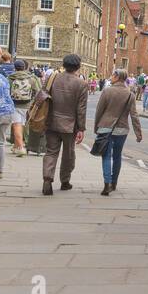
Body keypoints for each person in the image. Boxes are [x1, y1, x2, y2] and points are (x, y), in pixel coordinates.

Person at [41, 53, 88, 195]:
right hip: (70, 125)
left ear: (64, 64)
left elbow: (43, 96)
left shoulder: (52, 78)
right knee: (68, 154)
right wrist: (81, 129)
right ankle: (65, 181)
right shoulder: (81, 84)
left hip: (51, 121)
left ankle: (47, 180)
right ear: (78, 66)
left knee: (51, 152)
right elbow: (81, 109)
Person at [93, 68, 143, 196]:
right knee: (117, 156)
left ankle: (107, 184)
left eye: (113, 74)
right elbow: (134, 115)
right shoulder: (130, 95)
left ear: (117, 76)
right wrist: (138, 133)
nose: (111, 76)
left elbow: (99, 111)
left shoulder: (107, 91)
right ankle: (114, 183)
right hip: (122, 129)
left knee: (106, 156)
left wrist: (96, 128)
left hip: (105, 127)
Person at [7, 58, 39, 156]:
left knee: (17, 125)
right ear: (24, 67)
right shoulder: (31, 78)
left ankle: (20, 148)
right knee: (23, 125)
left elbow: (6, 92)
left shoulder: (10, 78)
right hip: (27, 105)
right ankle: (17, 146)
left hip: (14, 105)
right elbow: (37, 92)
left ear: (15, 68)